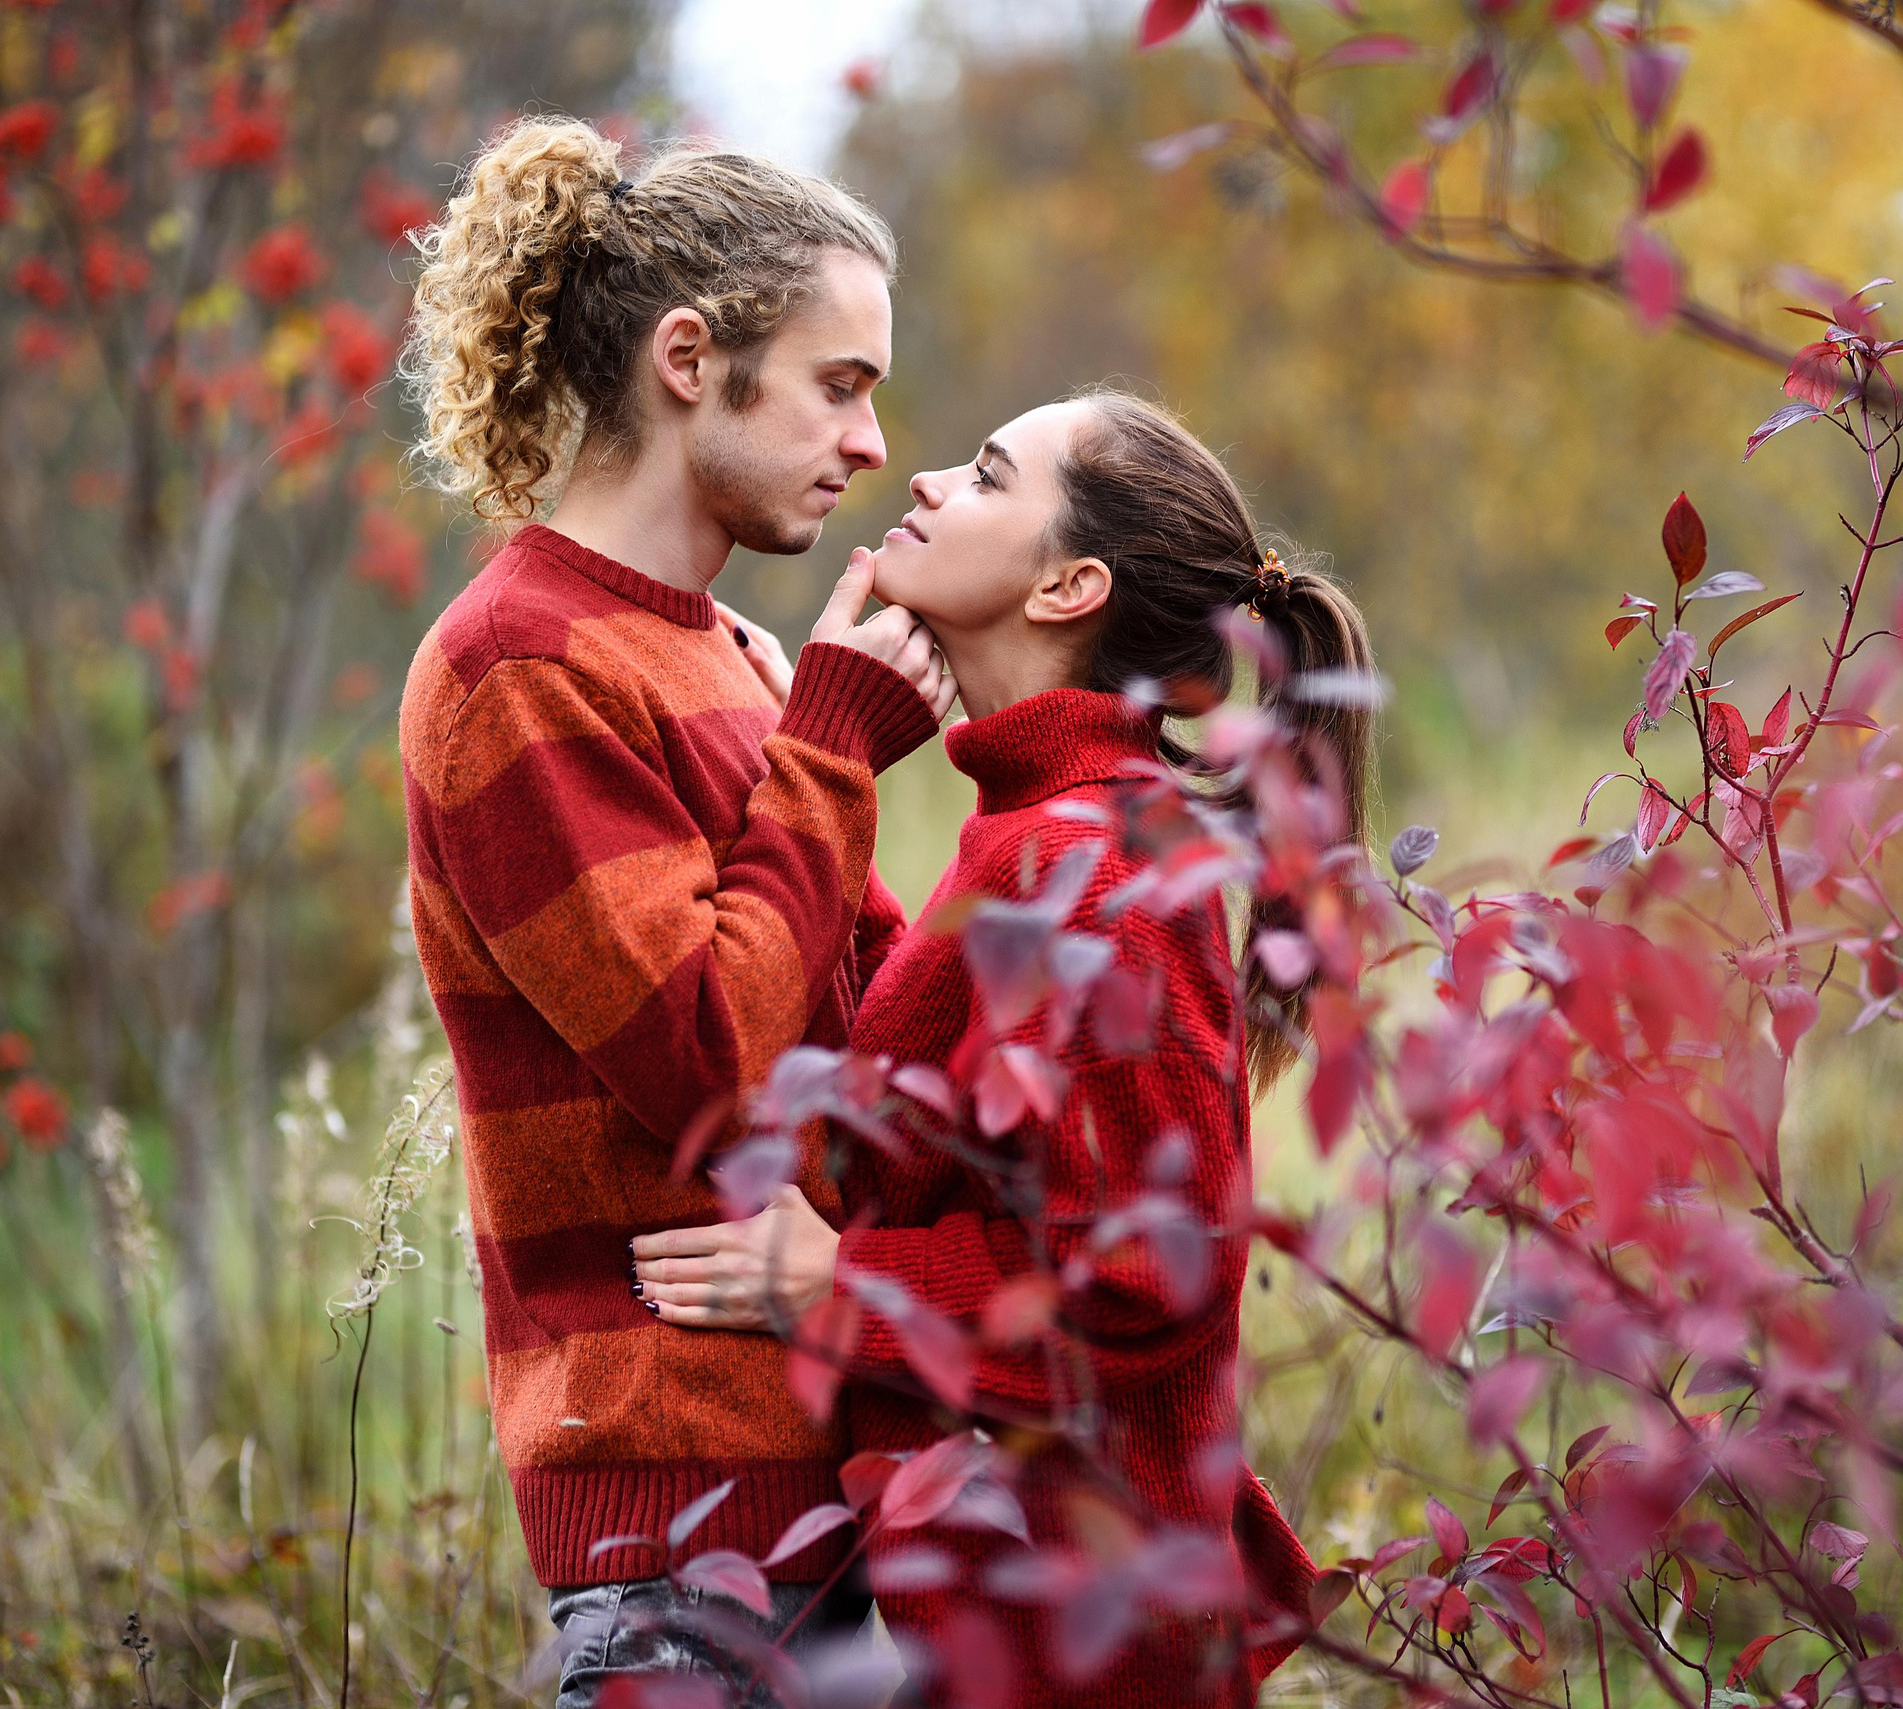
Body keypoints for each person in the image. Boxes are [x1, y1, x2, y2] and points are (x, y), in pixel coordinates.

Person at [632, 390, 1363, 1705]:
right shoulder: (1042, 831)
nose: (918, 479)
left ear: (1072, 582)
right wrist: (819, 750)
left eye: (983, 475)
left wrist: (839, 1278)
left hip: (1081, 1642)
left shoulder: (1087, 860)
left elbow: (1144, 1269)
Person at [396, 116, 957, 1709]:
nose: (869, 440)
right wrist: (837, 744)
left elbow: (863, 1031)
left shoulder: (743, 659)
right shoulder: (515, 666)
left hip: (827, 1482)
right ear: (691, 359)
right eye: (840, 385)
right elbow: (710, 1061)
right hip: (673, 1520)